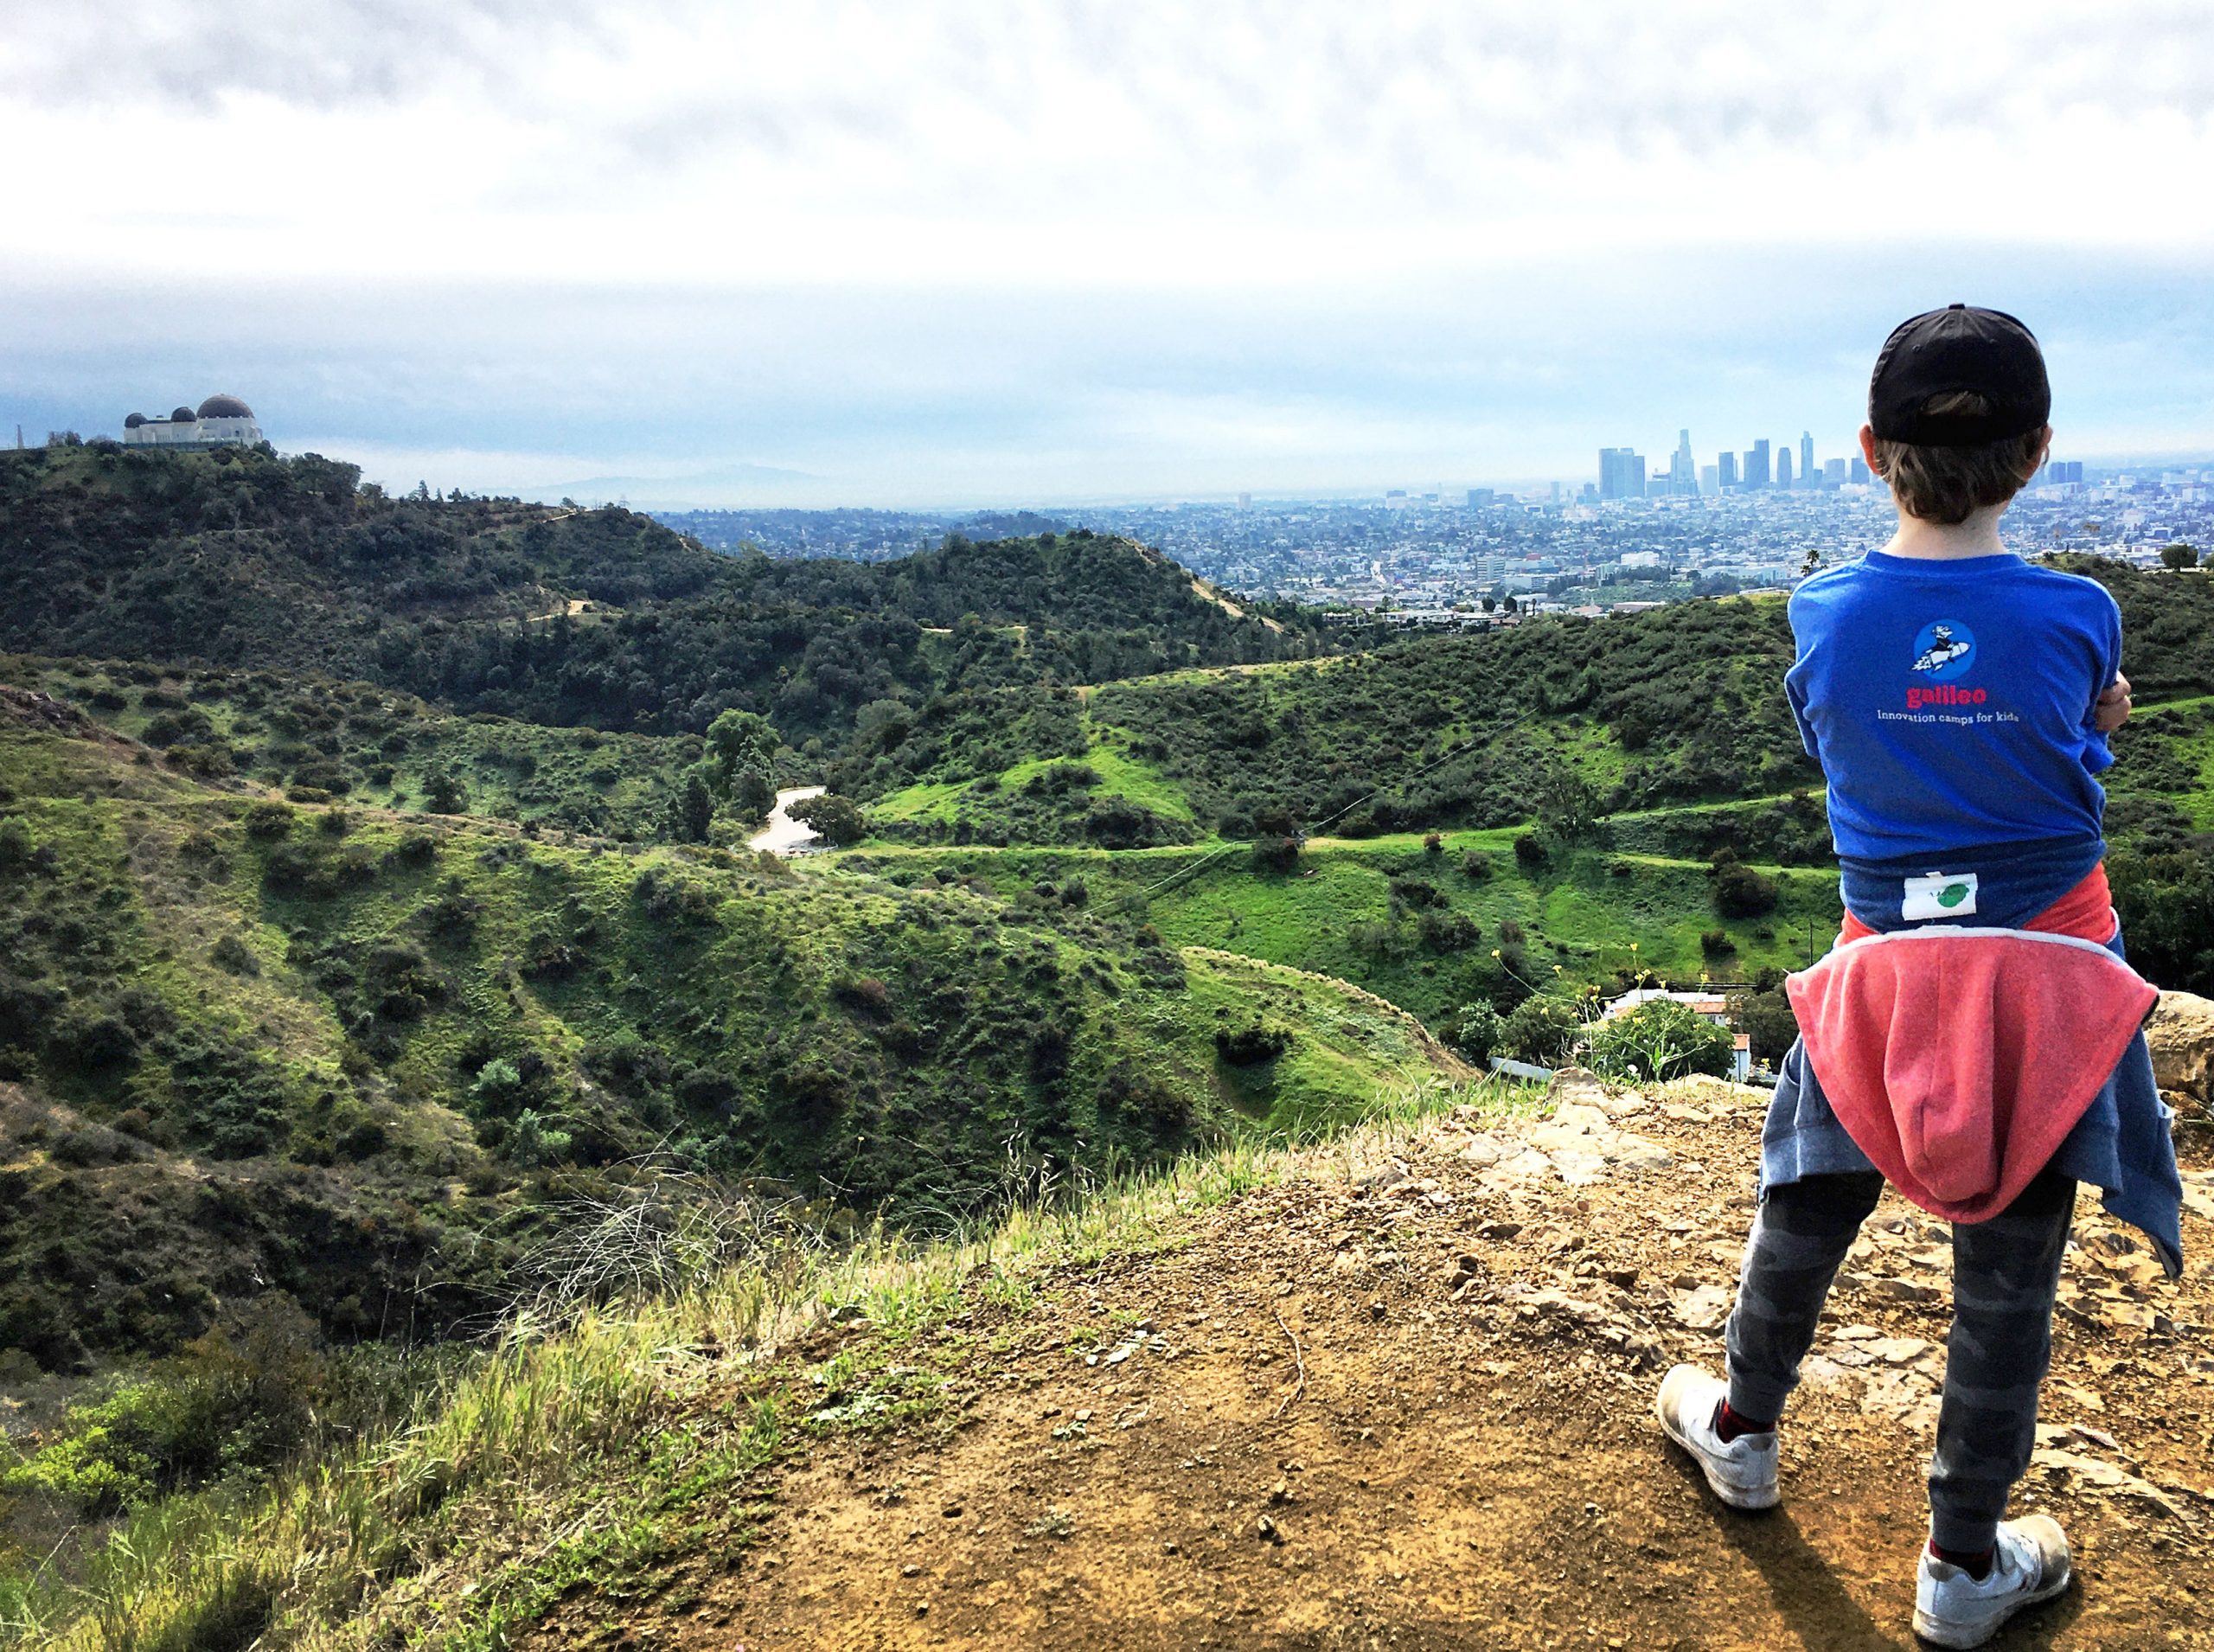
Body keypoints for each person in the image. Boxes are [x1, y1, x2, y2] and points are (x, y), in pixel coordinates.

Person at [1653, 305, 2184, 1649]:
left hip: (1880, 973)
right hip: (2047, 985)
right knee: (2006, 1280)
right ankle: (1960, 1562)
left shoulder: (1821, 612)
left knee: (1806, 1201)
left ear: (1870, 452)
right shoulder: (2081, 610)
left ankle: (1743, 1426)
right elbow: (2060, 738)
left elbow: (1851, 743)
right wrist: (2095, 722)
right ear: (2041, 451)